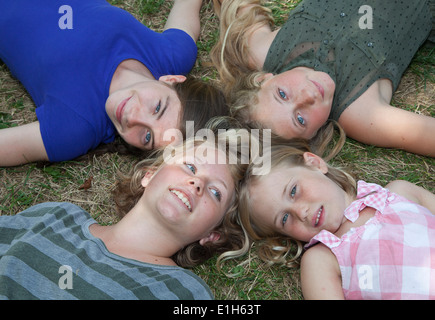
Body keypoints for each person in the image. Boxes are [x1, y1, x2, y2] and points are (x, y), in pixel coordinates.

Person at [0, 128, 248, 299]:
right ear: (150, 174)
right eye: (190, 166)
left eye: (216, 192)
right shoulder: (58, 216)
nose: (197, 183)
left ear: (213, 234)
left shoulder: (182, 292)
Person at [0, 0, 228, 166]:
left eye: (147, 137)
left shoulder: (74, 127)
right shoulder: (172, 56)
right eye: (157, 108)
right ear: (172, 80)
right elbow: (186, 14)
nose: (133, 118)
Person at [211, 0, 435, 156]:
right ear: (312, 136)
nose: (307, 96)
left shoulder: (263, 50)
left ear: (263, 80)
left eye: (282, 94)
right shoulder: (359, 112)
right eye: (300, 119)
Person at [236, 139, 435, 299]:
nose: (301, 211)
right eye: (285, 218)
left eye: (294, 191)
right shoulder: (321, 259)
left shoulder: (400, 192)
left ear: (315, 163)